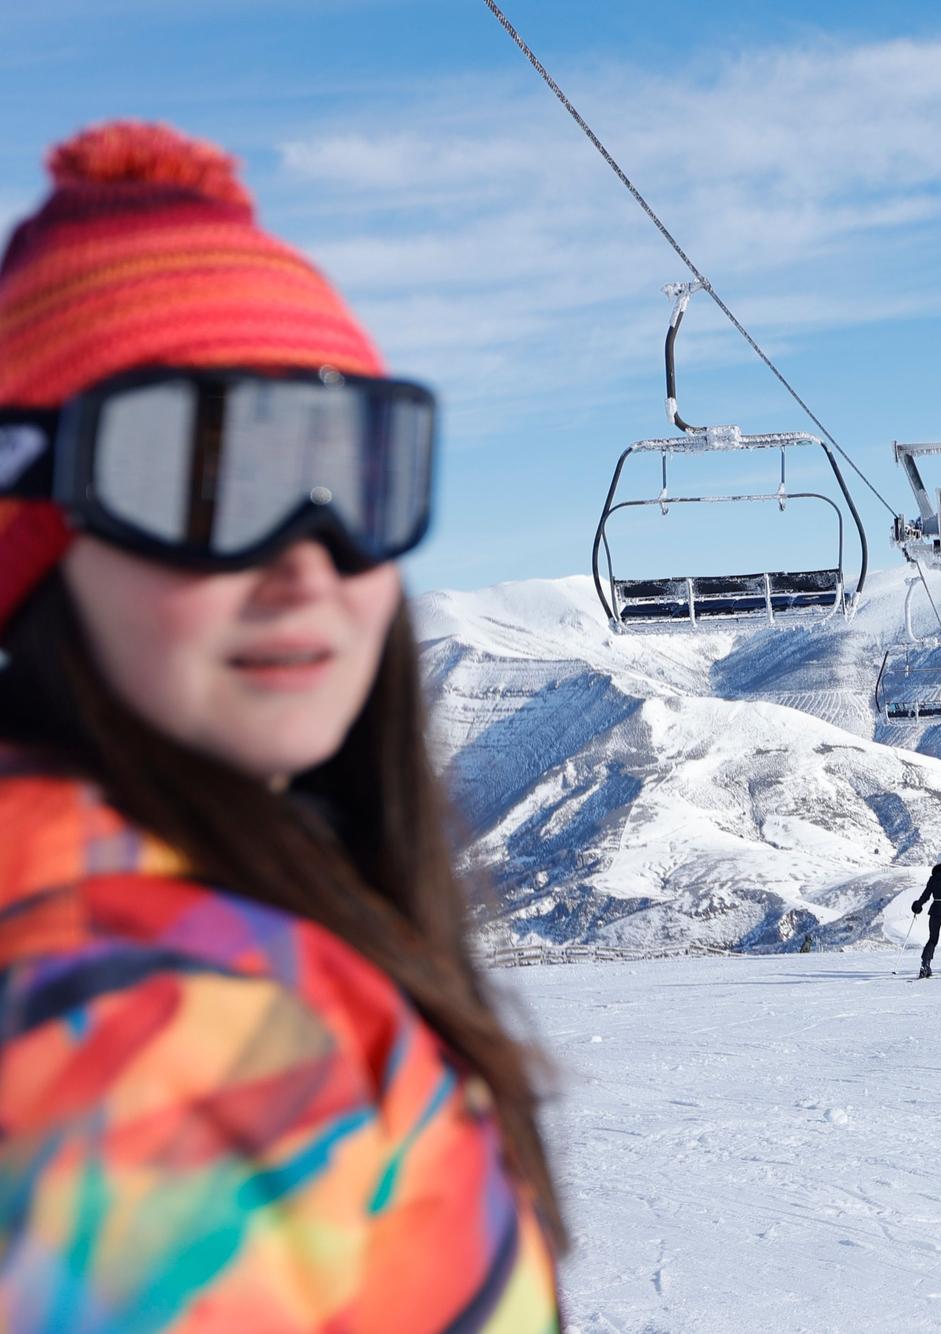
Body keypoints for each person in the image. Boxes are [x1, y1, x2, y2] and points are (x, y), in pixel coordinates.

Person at [0, 122, 563, 1327]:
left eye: (359, 479)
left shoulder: (134, 913)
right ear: (36, 525)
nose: (305, 560)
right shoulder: (153, 1033)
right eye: (201, 486)